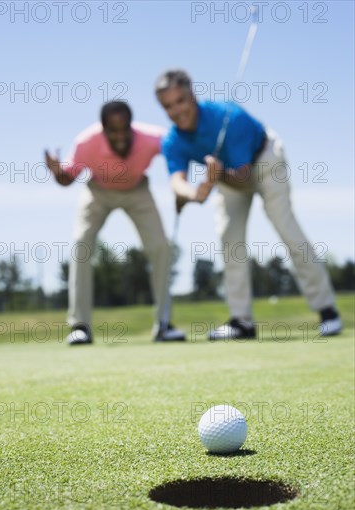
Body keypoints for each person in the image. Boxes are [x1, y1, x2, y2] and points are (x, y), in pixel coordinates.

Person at [155, 70, 342, 340]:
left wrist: (216, 177)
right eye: (168, 106)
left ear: (193, 95)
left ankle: (327, 311)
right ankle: (241, 321)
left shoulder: (230, 118)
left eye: (180, 101)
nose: (176, 111)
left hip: (265, 160)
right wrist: (196, 193)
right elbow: (177, 181)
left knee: (286, 229)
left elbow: (243, 177)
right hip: (227, 176)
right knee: (229, 238)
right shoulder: (173, 140)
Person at [45, 101, 185, 344]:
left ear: (131, 126)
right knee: (81, 245)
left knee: (160, 247)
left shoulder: (151, 137)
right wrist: (58, 173)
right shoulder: (86, 142)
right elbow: (68, 179)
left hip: (137, 190)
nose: (120, 136)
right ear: (103, 129)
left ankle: (163, 324)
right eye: (113, 130)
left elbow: (179, 146)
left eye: (124, 129)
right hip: (98, 191)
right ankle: (80, 326)